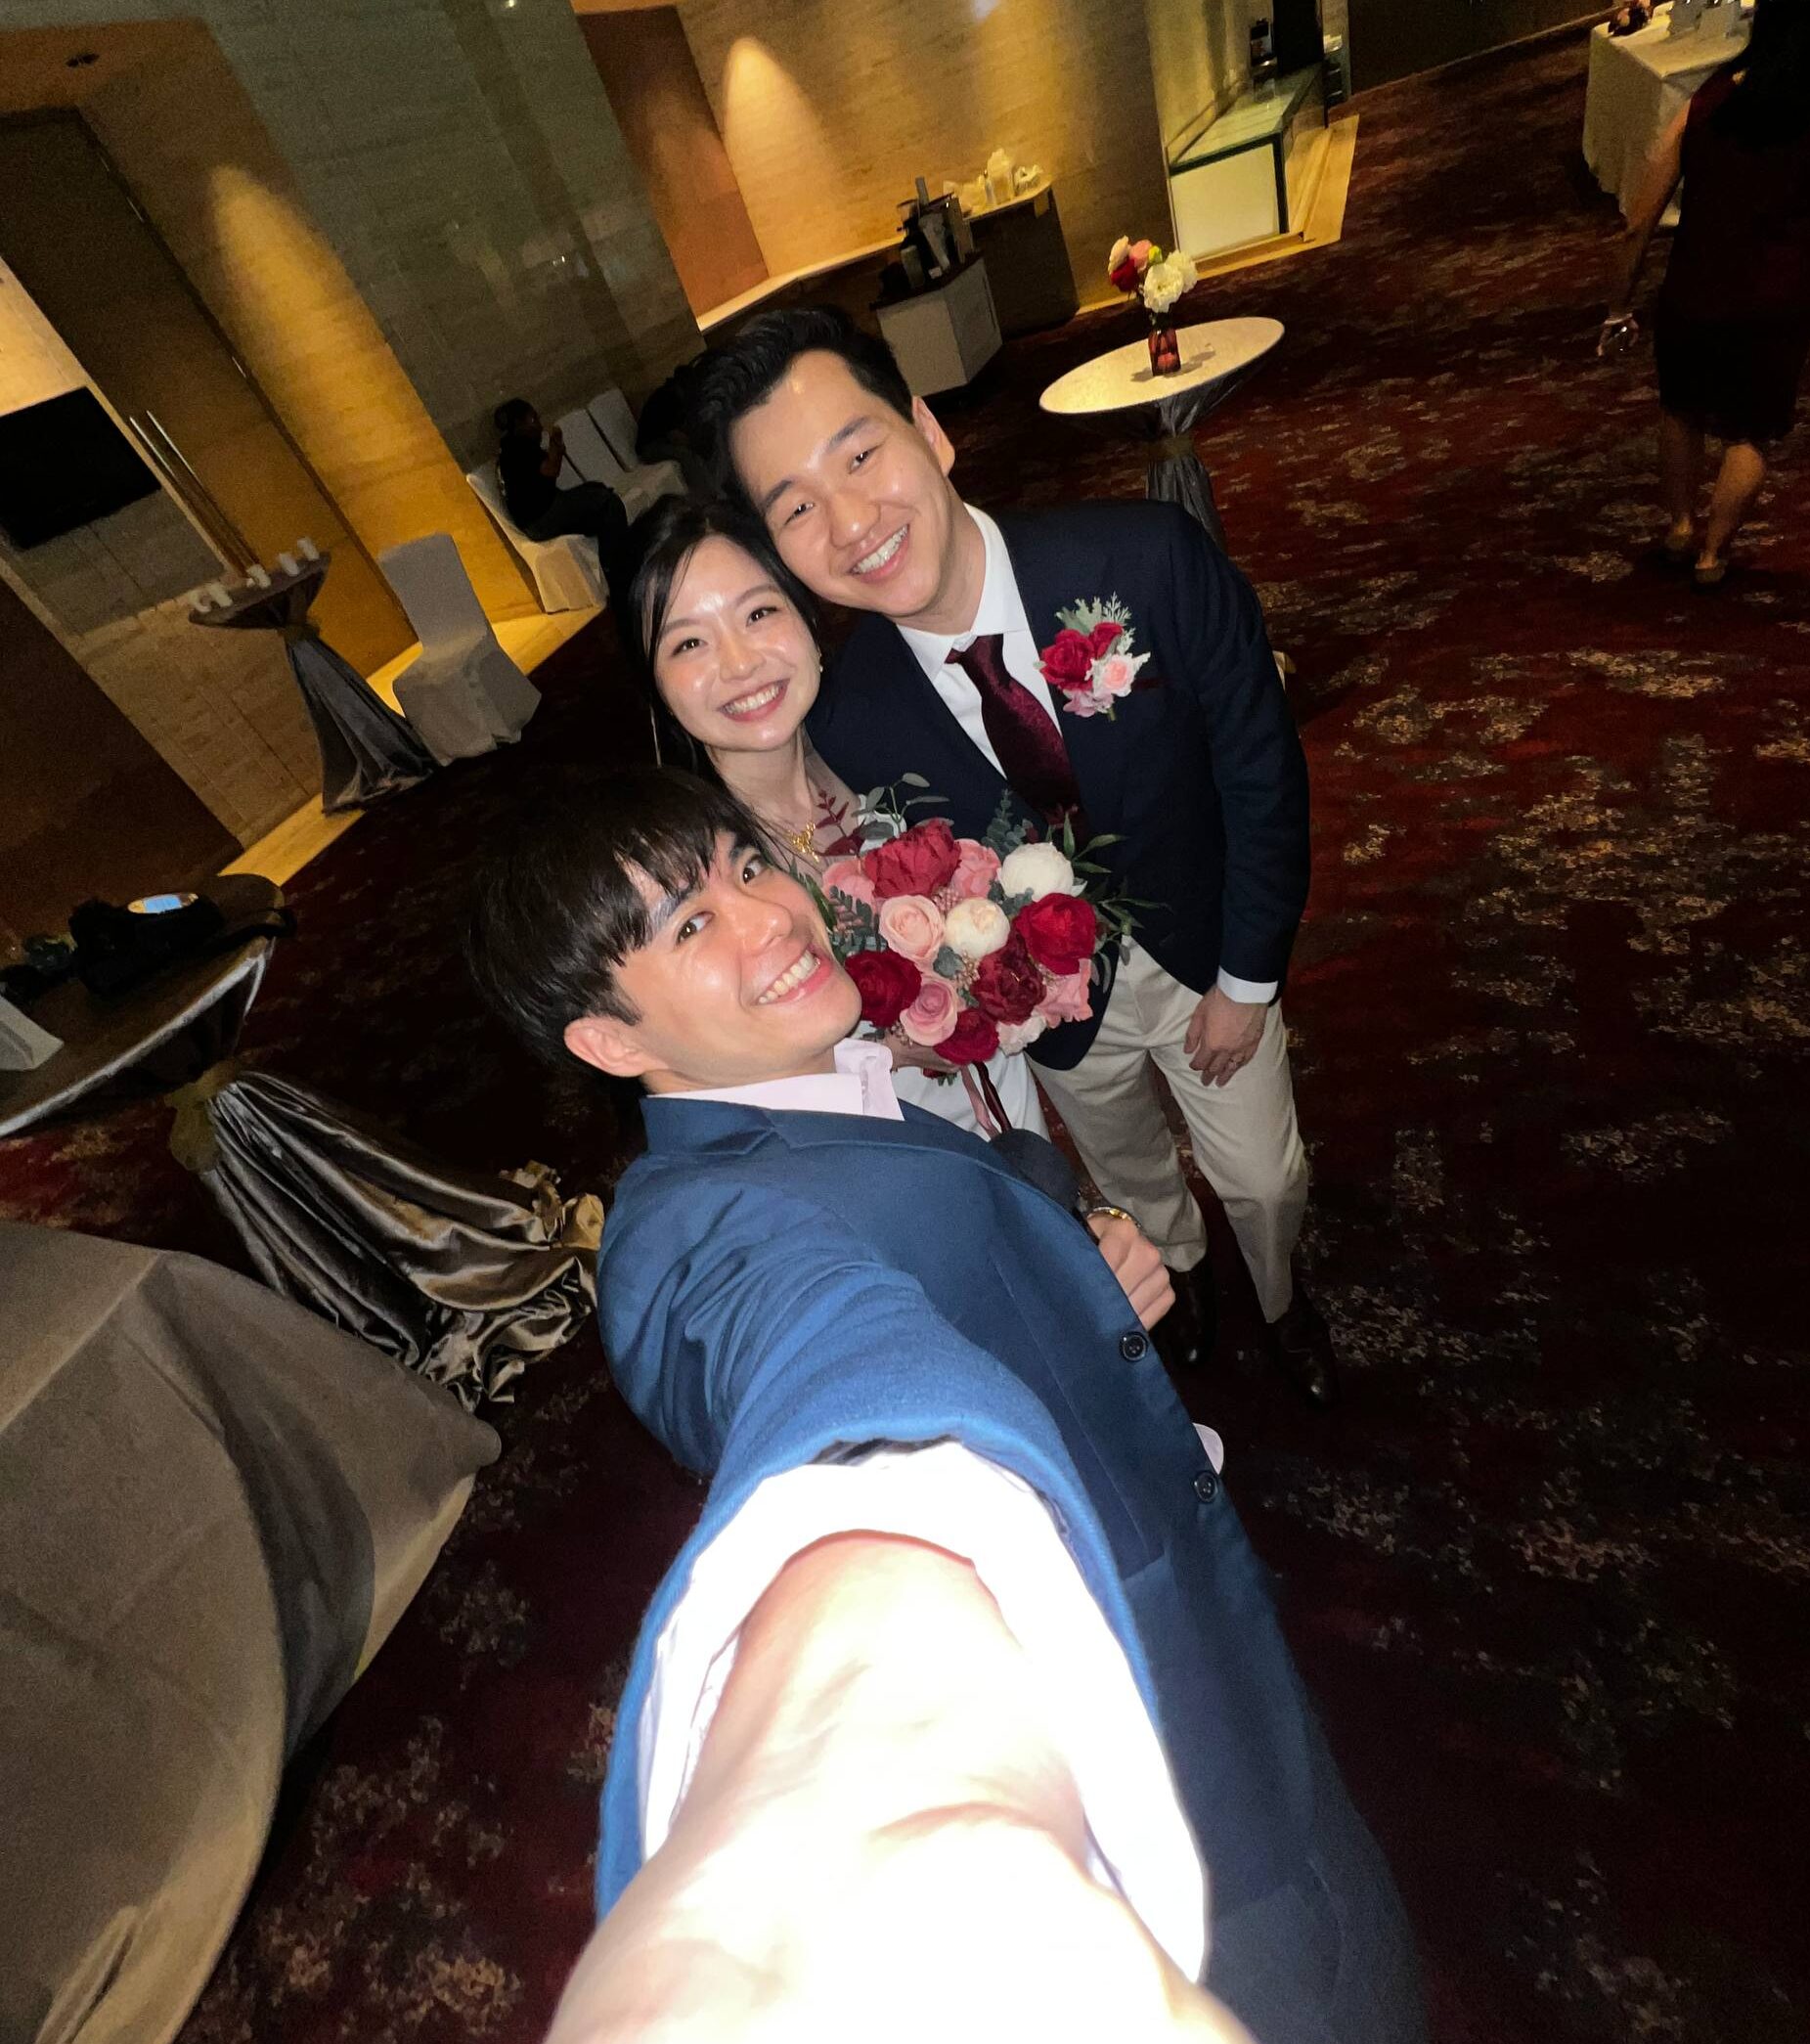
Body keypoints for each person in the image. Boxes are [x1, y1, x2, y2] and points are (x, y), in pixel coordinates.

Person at [463, 769, 1426, 2044]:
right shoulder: (690, 1241)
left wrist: (1076, 1273)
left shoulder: (814, 1080)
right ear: (614, 1042)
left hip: (1186, 1582)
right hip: (1148, 1747)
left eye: (745, 868)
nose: (768, 920)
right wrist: (865, 1705)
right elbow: (816, 1360)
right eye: (689, 926)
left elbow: (936, 1235)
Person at [684, 306, 1338, 1406]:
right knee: (1131, 1174)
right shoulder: (851, 718)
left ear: (929, 432)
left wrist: (1247, 978)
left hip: (1214, 959)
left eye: (861, 453)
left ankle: (1279, 1291)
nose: (849, 524)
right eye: (796, 507)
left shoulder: (1147, 561)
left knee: (1266, 1178)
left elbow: (1260, 773)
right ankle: (1179, 1273)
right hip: (1059, 1024)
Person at [620, 491, 1047, 1143]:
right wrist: (887, 1053)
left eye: (759, 612)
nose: (740, 663)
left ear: (808, 620)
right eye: (689, 644)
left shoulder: (889, 744)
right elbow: (704, 1079)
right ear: (657, 689)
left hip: (1005, 1090)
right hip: (885, 1146)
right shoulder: (686, 877)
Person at [1602, 0, 1810, 585]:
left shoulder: (1712, 96)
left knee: (1680, 408)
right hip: (1780, 291)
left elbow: (1639, 219)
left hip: (1693, 284)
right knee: (1750, 431)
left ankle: (1679, 526)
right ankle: (1713, 555)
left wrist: (1619, 307)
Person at [492, 397, 636, 600]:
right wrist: (555, 443)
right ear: (519, 424)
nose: (538, 423)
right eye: (533, 419)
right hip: (542, 518)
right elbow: (551, 470)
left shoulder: (509, 450)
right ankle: (619, 574)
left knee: (597, 495)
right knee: (608, 502)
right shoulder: (519, 449)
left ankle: (618, 571)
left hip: (542, 513)